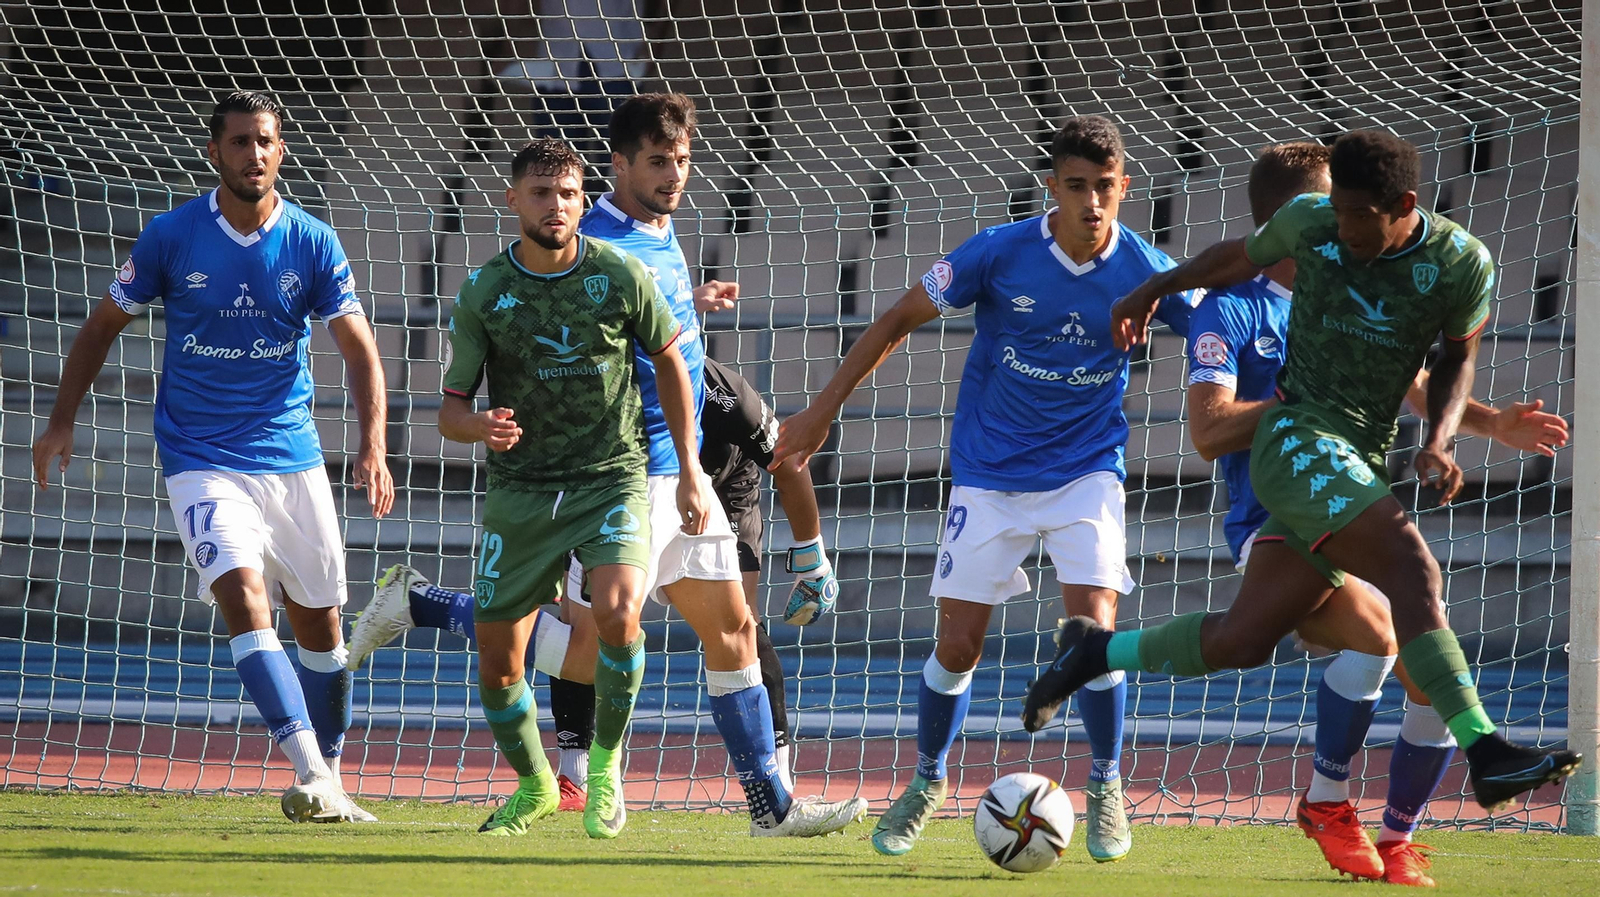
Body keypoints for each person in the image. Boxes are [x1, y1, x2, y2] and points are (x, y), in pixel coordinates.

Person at [1024, 129, 1581, 821]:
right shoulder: (1298, 244)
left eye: (1355, 214)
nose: (1339, 228)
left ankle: (1096, 648)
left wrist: (1457, 433)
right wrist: (1150, 290)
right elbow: (1228, 265)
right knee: (1412, 571)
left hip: (1355, 457)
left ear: (1403, 203)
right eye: (1332, 211)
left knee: (1242, 639)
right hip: (1296, 444)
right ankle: (1483, 752)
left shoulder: (1461, 263)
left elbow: (1444, 365)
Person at [436, 95, 866, 839]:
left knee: (731, 627)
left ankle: (771, 804)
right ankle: (438, 612)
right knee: (586, 645)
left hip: (680, 471)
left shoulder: (658, 237)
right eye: (658, 162)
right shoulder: (591, 240)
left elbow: (650, 334)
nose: (674, 175)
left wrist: (689, 310)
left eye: (683, 161)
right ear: (620, 164)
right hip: (619, 476)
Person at [769, 115, 1197, 862]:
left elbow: (1222, 316)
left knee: (1092, 635)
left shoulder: (1150, 271)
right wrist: (821, 409)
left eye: (1106, 188)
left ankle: (1105, 782)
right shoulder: (998, 253)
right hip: (989, 472)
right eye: (1076, 186)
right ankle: (929, 778)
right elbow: (900, 316)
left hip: (1086, 471)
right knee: (959, 643)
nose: (1092, 202)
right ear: (1051, 188)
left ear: (1126, 187)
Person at [1183, 142, 1568, 885]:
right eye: (1336, 208)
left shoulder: (1361, 280)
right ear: (1291, 220)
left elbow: (1418, 384)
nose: (1347, 224)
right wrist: (1306, 408)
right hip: (1273, 517)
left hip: (1352, 502)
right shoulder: (1228, 312)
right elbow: (1207, 431)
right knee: (1384, 632)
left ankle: (1395, 838)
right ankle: (1328, 800)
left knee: (1428, 655)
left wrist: (1490, 426)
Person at [32, 91, 392, 823]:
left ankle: (327, 774)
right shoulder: (172, 236)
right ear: (213, 152)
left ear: (280, 149)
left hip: (292, 458)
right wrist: (60, 420)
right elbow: (102, 325)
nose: (252, 155)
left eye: (264, 141)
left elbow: (359, 348)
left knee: (322, 627)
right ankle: (305, 768)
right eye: (238, 142)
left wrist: (373, 444)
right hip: (201, 457)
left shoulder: (314, 242)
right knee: (242, 594)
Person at [350, 357, 838, 798]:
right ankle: (574, 774)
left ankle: (776, 787)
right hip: (620, 487)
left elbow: (788, 457)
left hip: (718, 488)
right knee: (586, 645)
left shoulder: (724, 395)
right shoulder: (591, 377)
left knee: (738, 630)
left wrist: (811, 557)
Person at [438, 136, 697, 839]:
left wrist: (691, 470)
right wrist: (479, 427)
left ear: (585, 200)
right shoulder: (487, 291)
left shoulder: (617, 272)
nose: (557, 205)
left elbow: (672, 360)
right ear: (513, 198)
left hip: (609, 476)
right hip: (522, 491)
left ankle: (606, 764)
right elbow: (449, 408)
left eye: (569, 193)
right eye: (542, 192)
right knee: (499, 662)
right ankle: (535, 786)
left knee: (618, 614)